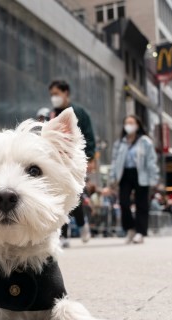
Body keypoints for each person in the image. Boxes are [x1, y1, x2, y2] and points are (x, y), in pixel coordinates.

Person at [48, 79, 96, 246]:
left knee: (74, 195)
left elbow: (89, 137)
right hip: (55, 161)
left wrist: (90, 158)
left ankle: (82, 225)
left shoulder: (79, 113)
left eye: (56, 93)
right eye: (52, 95)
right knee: (58, 195)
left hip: (74, 160)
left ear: (65, 92)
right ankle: (62, 236)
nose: (54, 97)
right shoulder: (51, 114)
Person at [109, 115, 159, 244]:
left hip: (141, 174)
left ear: (137, 125)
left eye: (131, 123)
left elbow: (151, 161)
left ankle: (140, 232)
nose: (128, 125)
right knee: (123, 203)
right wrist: (112, 177)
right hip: (124, 174)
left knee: (141, 204)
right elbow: (114, 161)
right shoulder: (120, 143)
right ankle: (130, 228)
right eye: (126, 123)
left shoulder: (145, 141)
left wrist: (154, 178)